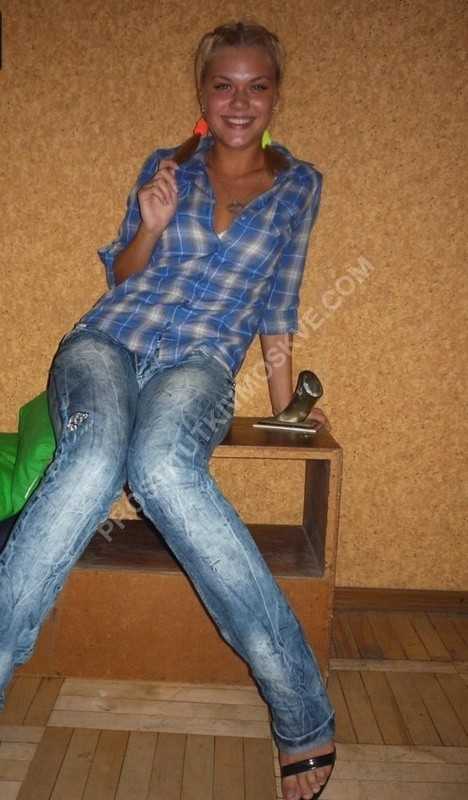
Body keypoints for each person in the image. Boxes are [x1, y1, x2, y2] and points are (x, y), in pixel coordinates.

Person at [0, 20, 336, 800]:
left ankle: (299, 707)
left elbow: (278, 307)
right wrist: (149, 227)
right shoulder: (167, 166)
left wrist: (288, 407)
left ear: (275, 96)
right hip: (107, 343)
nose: (239, 101)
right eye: (224, 85)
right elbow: (123, 277)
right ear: (203, 95)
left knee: (160, 467)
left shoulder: (299, 186)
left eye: (256, 86)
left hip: (200, 362)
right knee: (93, 458)